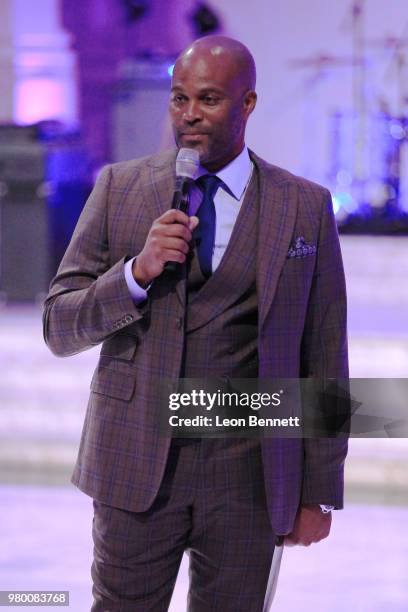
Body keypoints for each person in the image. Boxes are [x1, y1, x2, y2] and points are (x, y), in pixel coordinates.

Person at [43, 35, 348, 611]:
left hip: (249, 472)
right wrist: (134, 272)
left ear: (248, 104)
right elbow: (59, 325)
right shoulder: (120, 188)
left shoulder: (304, 205)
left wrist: (320, 489)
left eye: (208, 99)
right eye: (178, 99)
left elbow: (325, 350)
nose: (189, 115)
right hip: (136, 463)